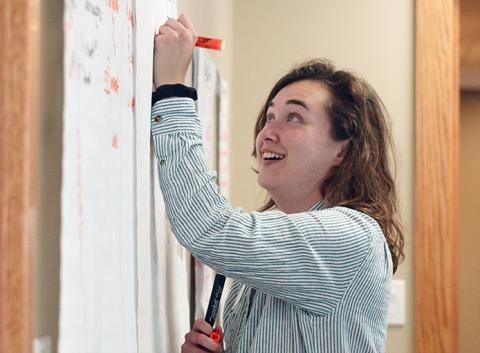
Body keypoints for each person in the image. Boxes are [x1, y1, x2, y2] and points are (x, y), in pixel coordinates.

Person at [151, 14, 404, 353]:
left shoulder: (351, 236)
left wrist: (172, 89)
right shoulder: (274, 243)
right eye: (270, 116)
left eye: (294, 118)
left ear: (343, 149)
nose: (268, 132)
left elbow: (209, 228)